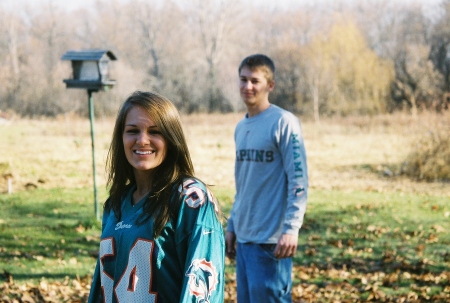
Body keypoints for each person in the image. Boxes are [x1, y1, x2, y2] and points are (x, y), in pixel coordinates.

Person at [88, 91, 225, 303]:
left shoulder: (191, 199)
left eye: (155, 132)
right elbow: (102, 288)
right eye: (132, 131)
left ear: (171, 138)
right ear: (121, 138)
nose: (142, 140)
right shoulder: (115, 204)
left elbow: (203, 292)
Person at [225, 54, 308, 303]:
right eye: (243, 79)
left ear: (269, 85)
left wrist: (292, 228)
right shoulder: (241, 127)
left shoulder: (284, 123)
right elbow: (244, 184)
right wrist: (232, 225)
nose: (247, 86)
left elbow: (299, 179)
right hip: (245, 240)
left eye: (255, 81)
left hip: (272, 242)